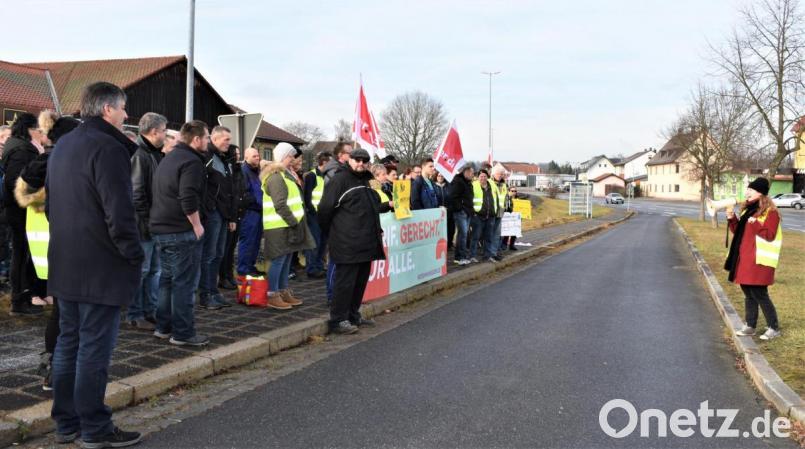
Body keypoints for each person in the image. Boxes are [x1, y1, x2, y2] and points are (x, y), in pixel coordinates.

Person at [47, 81, 144, 447]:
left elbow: (55, 204)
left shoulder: (65, 143)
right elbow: (118, 211)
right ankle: (95, 427)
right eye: (122, 108)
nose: (126, 114)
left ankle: (66, 422)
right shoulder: (108, 147)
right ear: (107, 110)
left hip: (66, 259)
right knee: (92, 347)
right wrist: (133, 252)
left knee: (68, 343)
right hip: (100, 262)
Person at [22, 112, 79, 391]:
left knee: (61, 311)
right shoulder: (60, 163)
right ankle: (56, 370)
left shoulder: (41, 162)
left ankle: (53, 368)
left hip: (46, 244)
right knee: (66, 313)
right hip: (61, 243)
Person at [151, 120, 210, 347]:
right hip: (180, 230)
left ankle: (163, 327)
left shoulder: (168, 158)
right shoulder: (192, 162)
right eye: (205, 137)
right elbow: (188, 197)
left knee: (167, 280)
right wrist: (197, 225)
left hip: (161, 229)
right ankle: (183, 333)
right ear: (196, 139)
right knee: (184, 283)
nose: (206, 141)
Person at [318, 148, 385, 334]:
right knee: (345, 283)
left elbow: (372, 206)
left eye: (364, 160)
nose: (361, 163)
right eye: (357, 160)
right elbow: (324, 209)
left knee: (360, 282)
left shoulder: (368, 180)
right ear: (350, 160)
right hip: (347, 241)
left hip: (367, 241)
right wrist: (333, 232)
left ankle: (353, 315)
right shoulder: (339, 180)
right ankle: (338, 320)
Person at [727, 177, 783, 341]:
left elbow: (770, 235)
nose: (747, 193)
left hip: (759, 261)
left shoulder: (770, 212)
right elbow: (739, 232)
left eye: (751, 190)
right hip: (745, 259)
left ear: (760, 193)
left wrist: (755, 224)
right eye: (747, 190)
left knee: (759, 293)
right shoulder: (748, 210)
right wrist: (732, 219)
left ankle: (773, 327)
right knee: (748, 293)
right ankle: (750, 326)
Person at [262, 142, 315, 309]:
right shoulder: (277, 177)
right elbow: (280, 205)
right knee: (278, 260)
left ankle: (283, 291)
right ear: (284, 156)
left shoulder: (284, 175)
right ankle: (272, 294)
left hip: (285, 225)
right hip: (279, 226)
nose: (293, 158)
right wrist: (294, 222)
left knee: (285, 260)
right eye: (291, 155)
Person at [128, 112, 167, 331]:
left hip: (153, 225)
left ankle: (150, 311)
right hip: (143, 226)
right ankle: (135, 314)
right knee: (142, 272)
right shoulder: (140, 155)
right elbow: (137, 195)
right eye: (163, 131)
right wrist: (149, 222)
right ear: (153, 132)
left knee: (154, 271)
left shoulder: (153, 154)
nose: (164, 135)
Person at [3, 113, 45, 316]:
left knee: (22, 255)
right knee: (20, 255)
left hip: (19, 210)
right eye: (38, 129)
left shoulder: (18, 146)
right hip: (19, 211)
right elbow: (15, 182)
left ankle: (23, 296)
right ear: (29, 129)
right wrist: (36, 196)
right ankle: (18, 301)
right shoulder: (21, 150)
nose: (41, 132)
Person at [198, 126, 237, 309]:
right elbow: (205, 186)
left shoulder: (225, 159)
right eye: (226, 139)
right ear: (214, 139)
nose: (228, 143)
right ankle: (205, 294)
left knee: (218, 254)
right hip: (213, 213)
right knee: (209, 255)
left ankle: (213, 291)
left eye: (229, 140)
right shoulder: (208, 158)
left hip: (223, 214)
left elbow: (229, 190)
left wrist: (231, 217)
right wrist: (208, 209)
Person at [303, 151, 331, 279]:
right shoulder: (312, 176)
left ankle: (319, 266)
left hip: (325, 215)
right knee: (315, 242)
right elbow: (307, 197)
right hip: (315, 215)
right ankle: (312, 268)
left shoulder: (328, 176)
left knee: (323, 243)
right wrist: (313, 213)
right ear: (324, 163)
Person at [236, 147, 263, 277]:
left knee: (256, 241)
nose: (257, 158)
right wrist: (256, 202)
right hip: (250, 212)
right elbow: (244, 192)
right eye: (254, 156)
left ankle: (250, 266)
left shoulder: (257, 171)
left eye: (258, 156)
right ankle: (243, 269)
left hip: (258, 211)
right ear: (246, 158)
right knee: (248, 241)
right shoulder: (244, 172)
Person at [218, 144, 241, 290]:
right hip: (228, 213)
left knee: (231, 248)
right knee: (224, 250)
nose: (238, 156)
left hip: (237, 212)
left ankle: (229, 275)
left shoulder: (237, 170)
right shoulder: (229, 169)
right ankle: (223, 277)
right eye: (236, 153)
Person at [469, 169, 497, 263]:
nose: (483, 178)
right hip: (478, 216)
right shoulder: (474, 185)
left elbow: (496, 198)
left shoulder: (492, 185)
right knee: (475, 237)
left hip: (490, 215)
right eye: (481, 176)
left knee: (488, 237)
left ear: (487, 177)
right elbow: (470, 199)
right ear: (478, 177)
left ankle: (487, 256)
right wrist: (473, 213)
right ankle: (472, 255)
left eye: (485, 176)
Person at [450, 164, 475, 265]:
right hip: (461, 212)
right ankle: (459, 257)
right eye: (472, 173)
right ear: (466, 172)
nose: (473, 175)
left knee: (464, 234)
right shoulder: (458, 182)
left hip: (467, 211)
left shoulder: (468, 182)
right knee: (462, 235)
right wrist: (461, 208)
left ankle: (461, 256)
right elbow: (454, 197)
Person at [489, 165, 508, 260]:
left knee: (497, 234)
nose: (501, 175)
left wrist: (506, 207)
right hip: (491, 212)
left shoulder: (504, 184)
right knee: (489, 234)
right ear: (493, 174)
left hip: (500, 212)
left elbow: (504, 197)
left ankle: (494, 252)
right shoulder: (489, 183)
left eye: (502, 174)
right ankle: (489, 253)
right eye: (499, 174)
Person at [434, 172, 454, 249]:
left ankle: (449, 245)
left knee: (450, 229)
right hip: (438, 211)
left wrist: (449, 207)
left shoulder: (449, 186)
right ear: (436, 176)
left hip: (448, 211)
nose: (440, 177)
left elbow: (452, 198)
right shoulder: (434, 186)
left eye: (442, 175)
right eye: (439, 175)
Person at [500, 186, 519, 251]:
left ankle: (512, 245)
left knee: (515, 230)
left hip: (515, 217)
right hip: (507, 217)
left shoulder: (518, 199)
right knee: (507, 231)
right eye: (512, 191)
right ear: (509, 191)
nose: (514, 192)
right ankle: (504, 244)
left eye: (515, 191)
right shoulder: (506, 198)